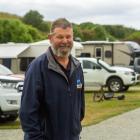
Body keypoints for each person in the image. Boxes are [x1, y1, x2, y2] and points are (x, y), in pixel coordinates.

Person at [19, 18, 85, 140]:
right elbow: (27, 112)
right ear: (50, 38)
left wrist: (75, 130)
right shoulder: (37, 68)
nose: (65, 41)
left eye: (68, 37)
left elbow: (80, 107)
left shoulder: (77, 67)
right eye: (60, 37)